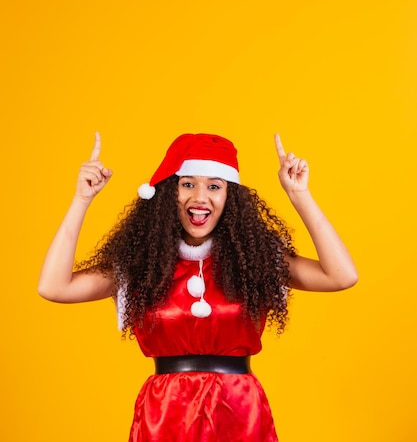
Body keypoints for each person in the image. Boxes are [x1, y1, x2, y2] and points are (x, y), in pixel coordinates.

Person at [38, 131, 358, 442]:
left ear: (229, 196)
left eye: (214, 186)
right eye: (187, 184)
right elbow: (54, 287)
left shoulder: (256, 259)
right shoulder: (140, 263)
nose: (200, 197)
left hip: (240, 414)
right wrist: (81, 200)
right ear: (168, 193)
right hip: (165, 413)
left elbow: (341, 276)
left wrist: (300, 196)